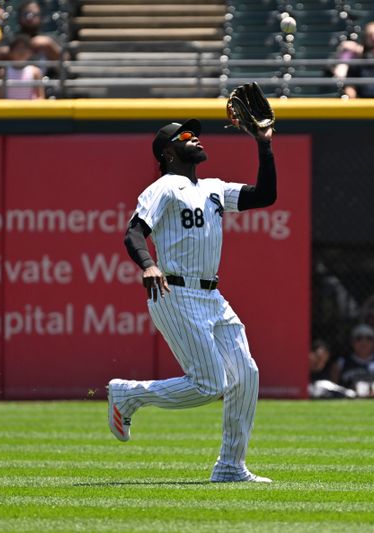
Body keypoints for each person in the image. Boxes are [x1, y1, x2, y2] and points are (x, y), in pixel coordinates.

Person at [109, 117, 276, 483]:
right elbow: (134, 231)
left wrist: (263, 143)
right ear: (168, 152)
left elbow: (265, 196)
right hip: (174, 290)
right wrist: (149, 265)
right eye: (186, 135)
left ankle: (231, 466)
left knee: (246, 375)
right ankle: (127, 394)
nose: (195, 138)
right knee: (209, 384)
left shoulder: (214, 188)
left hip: (212, 297)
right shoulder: (165, 186)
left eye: (196, 134)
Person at [332, 324, 374, 397]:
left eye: (369, 338)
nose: (364, 342)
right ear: (352, 342)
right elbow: (333, 387)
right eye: (359, 338)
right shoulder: (341, 362)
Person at [0, 34, 43, 99]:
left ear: (30, 52)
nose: (21, 52)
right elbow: (1, 97)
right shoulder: (4, 72)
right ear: (11, 52)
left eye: (24, 48)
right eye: (18, 48)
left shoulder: (35, 72)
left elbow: (40, 97)